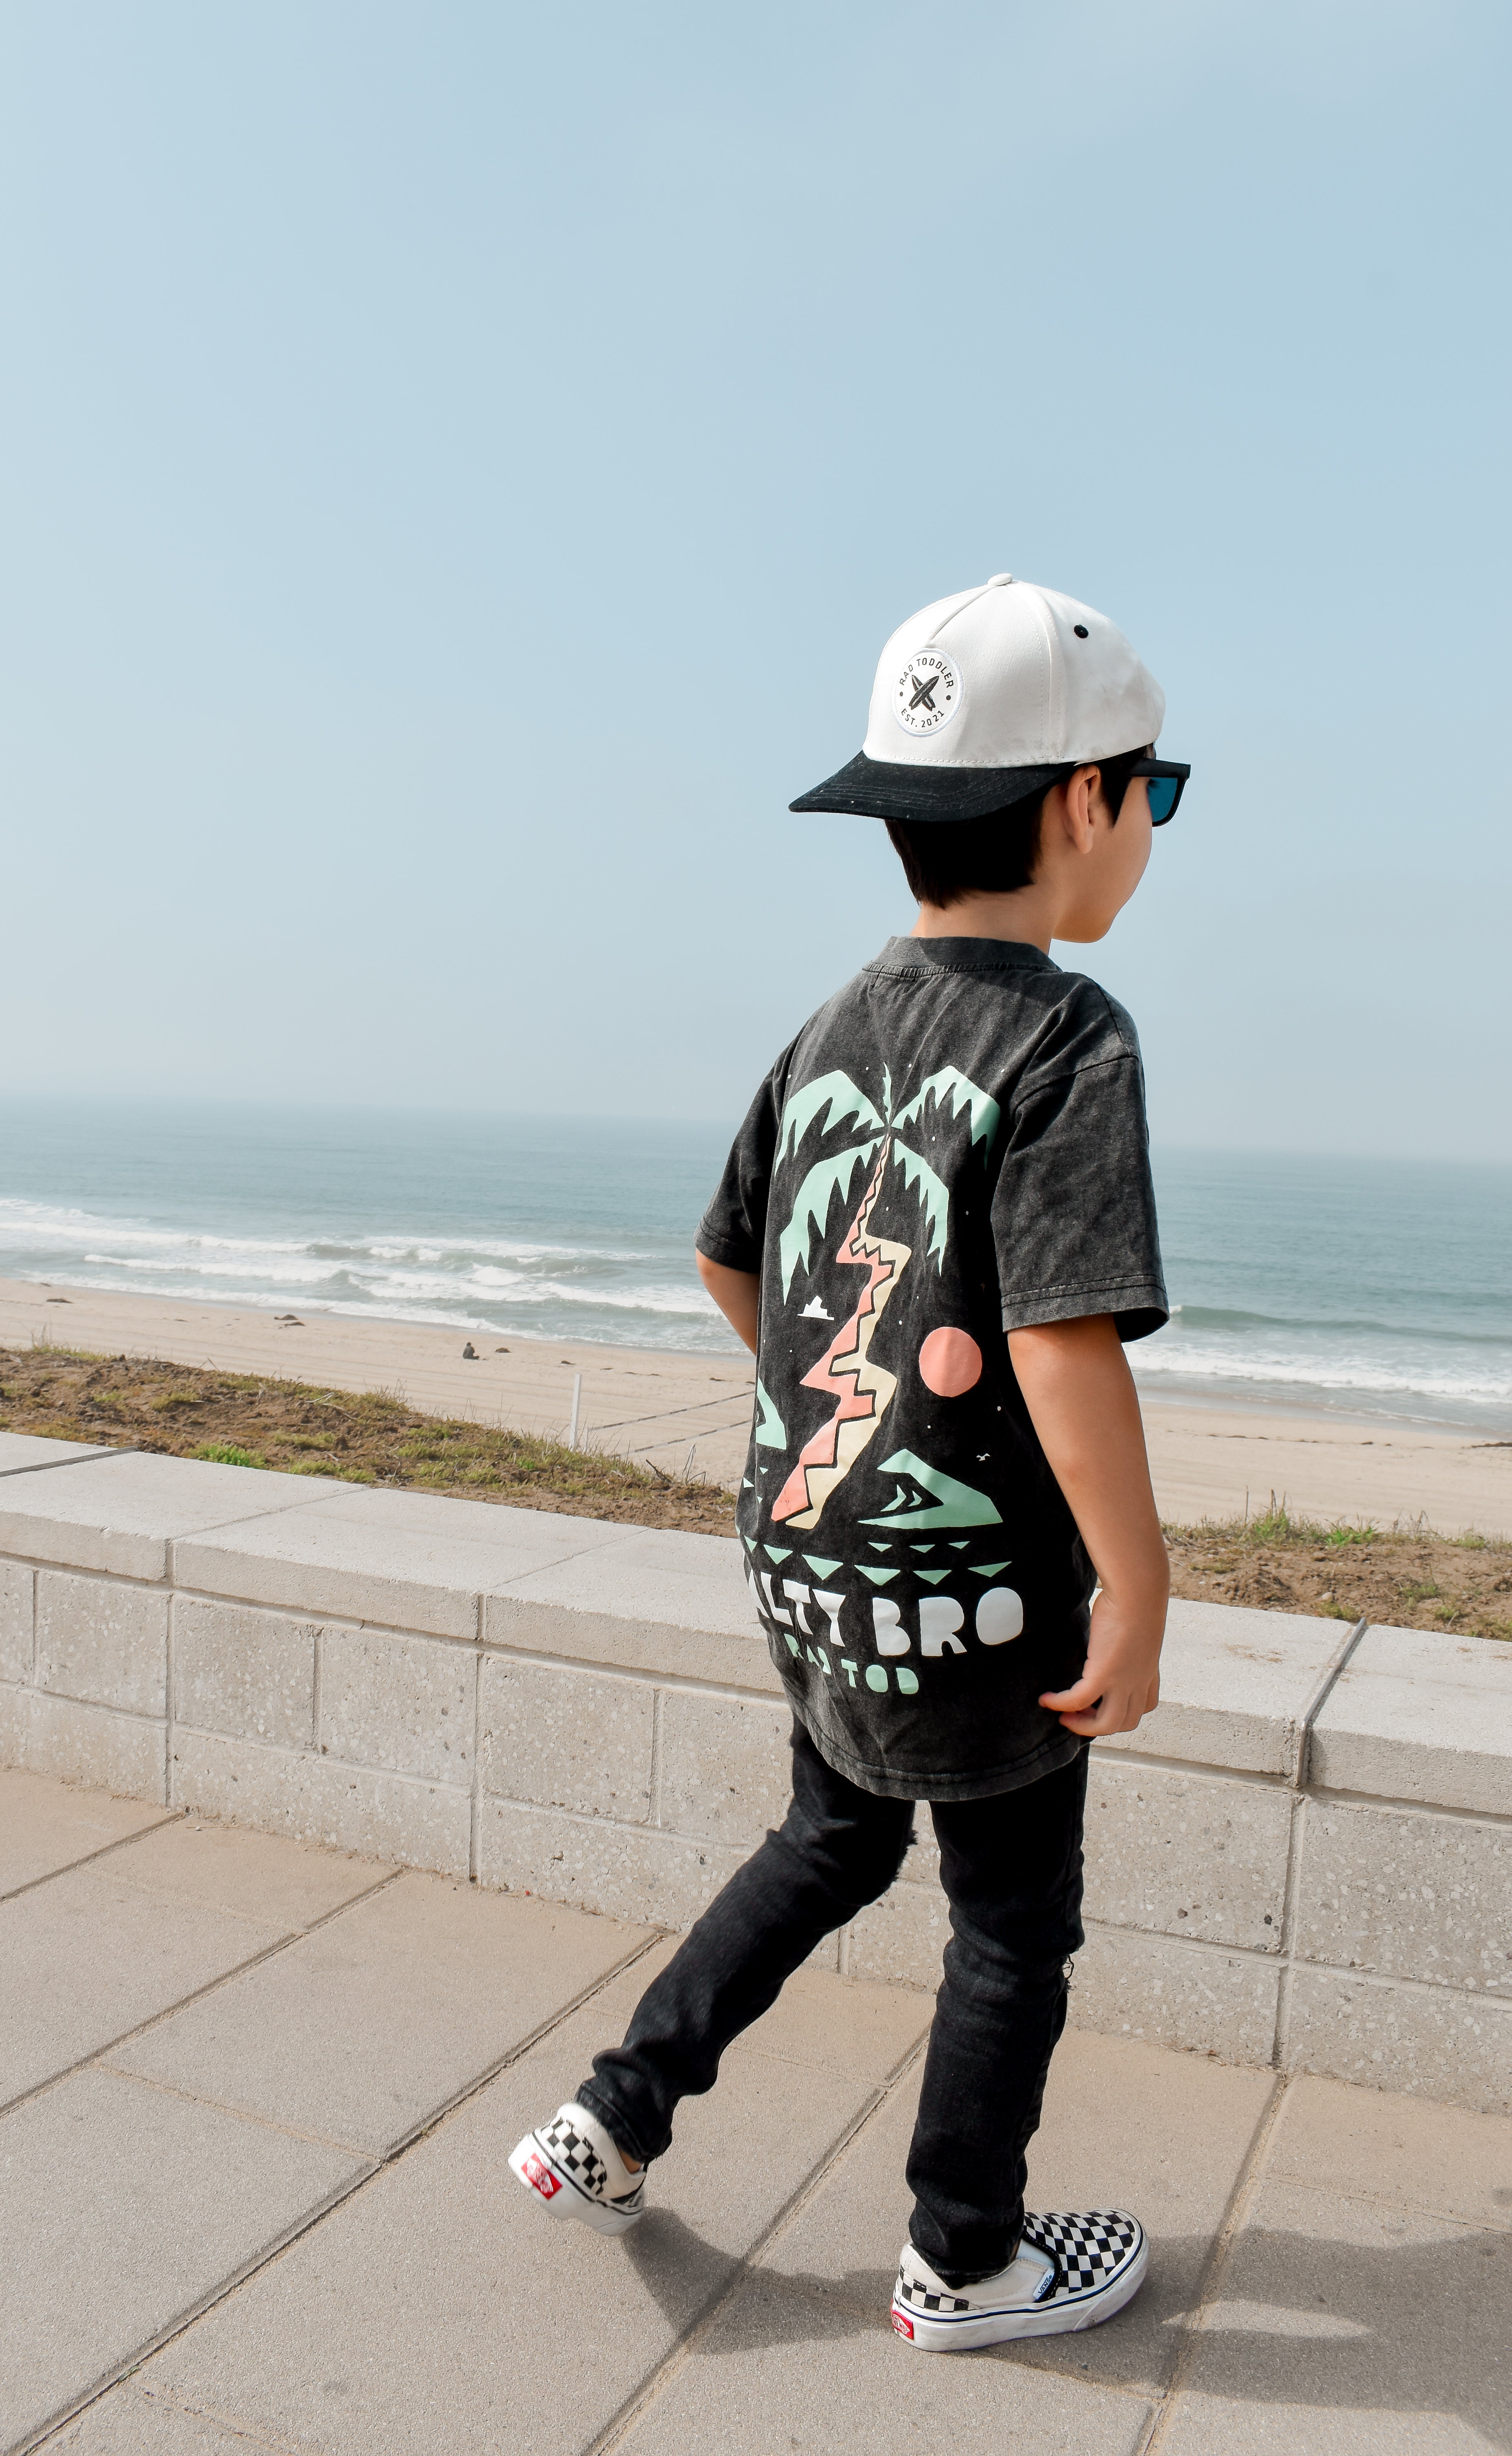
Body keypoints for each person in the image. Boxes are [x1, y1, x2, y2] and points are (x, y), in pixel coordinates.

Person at [511, 574, 1189, 2352]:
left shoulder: (831, 1027)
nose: (1149, 830)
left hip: (810, 1559)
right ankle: (965, 2258)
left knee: (826, 1835)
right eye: (1155, 792)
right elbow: (1057, 1336)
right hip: (978, 1595)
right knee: (1008, 1928)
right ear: (1075, 805)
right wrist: (1136, 1579)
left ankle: (610, 2115)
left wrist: (837, 1413)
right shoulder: (1064, 1037)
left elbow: (731, 1257)